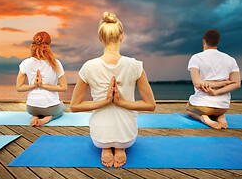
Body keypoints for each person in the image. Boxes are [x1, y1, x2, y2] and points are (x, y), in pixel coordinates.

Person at [70, 12, 156, 168]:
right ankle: (120, 147)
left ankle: (106, 147)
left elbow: (74, 106)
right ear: (121, 37)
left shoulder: (88, 67)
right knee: (123, 139)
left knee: (103, 139)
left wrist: (104, 102)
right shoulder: (135, 65)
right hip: (127, 137)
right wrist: (121, 102)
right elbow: (151, 105)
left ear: (100, 38)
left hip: (99, 137)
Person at [186, 29, 241, 129]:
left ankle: (203, 118)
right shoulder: (230, 59)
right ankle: (219, 116)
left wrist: (214, 90)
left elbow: (197, 84)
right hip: (222, 106)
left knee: (188, 110)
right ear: (217, 42)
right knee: (216, 110)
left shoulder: (196, 58)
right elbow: (237, 84)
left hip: (201, 105)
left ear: (203, 42)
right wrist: (220, 86)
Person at [16, 31, 67, 127]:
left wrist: (34, 85)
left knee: (37, 109)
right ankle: (48, 118)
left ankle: (35, 116)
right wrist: (43, 86)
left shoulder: (25, 63)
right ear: (49, 44)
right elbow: (63, 87)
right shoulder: (56, 63)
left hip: (31, 107)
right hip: (51, 107)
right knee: (62, 107)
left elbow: (19, 87)